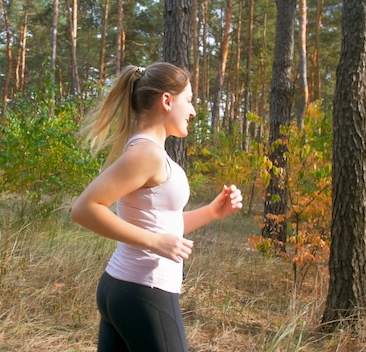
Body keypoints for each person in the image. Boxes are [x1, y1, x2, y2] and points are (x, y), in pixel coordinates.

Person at [70, 62, 243, 352]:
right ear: (167, 100)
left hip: (126, 288)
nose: (193, 111)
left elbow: (161, 226)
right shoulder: (146, 154)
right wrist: (154, 242)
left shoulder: (149, 153)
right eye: (188, 100)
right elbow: (85, 209)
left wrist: (213, 211)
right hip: (144, 291)